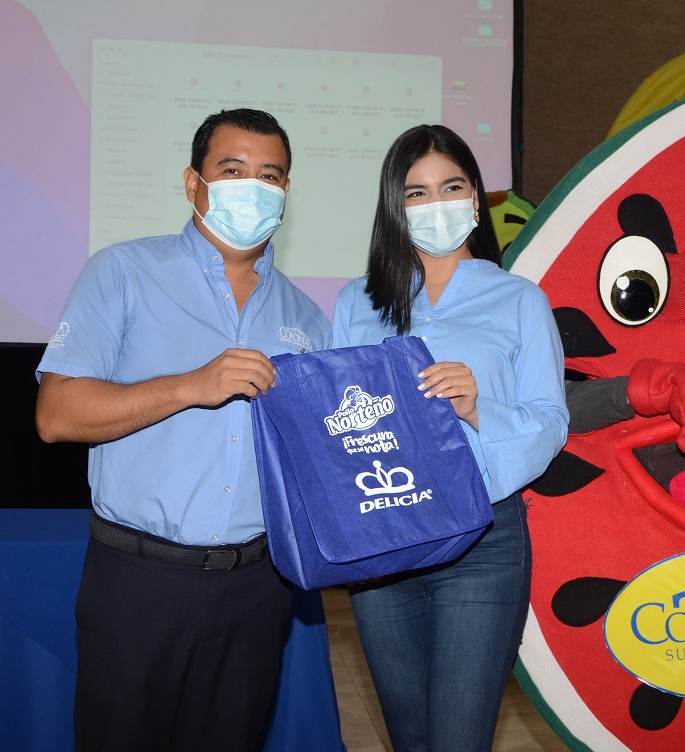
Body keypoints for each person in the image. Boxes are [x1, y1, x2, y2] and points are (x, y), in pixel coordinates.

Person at [35, 109, 331, 752]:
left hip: (260, 586)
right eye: (233, 170)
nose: (254, 187)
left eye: (271, 175)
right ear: (193, 183)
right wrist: (187, 387)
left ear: (286, 193)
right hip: (140, 583)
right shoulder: (121, 272)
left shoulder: (307, 317)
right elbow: (56, 415)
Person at [331, 124, 569, 751]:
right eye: (415, 192)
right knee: (410, 739)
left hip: (483, 542)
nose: (435, 205)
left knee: (459, 739)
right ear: (393, 205)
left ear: (474, 197)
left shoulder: (520, 300)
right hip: (384, 538)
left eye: (451, 186)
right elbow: (334, 425)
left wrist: (478, 407)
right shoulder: (357, 302)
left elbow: (551, 421)